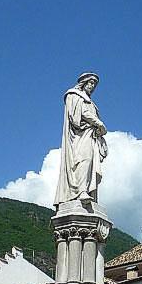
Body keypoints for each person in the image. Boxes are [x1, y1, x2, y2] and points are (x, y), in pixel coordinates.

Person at [53, 72, 107, 211]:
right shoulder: (74, 95)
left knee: (90, 164)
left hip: (90, 136)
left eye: (94, 85)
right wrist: (99, 124)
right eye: (90, 83)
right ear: (84, 83)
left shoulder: (91, 103)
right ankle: (80, 191)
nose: (92, 87)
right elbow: (79, 114)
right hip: (79, 137)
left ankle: (88, 192)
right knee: (83, 160)